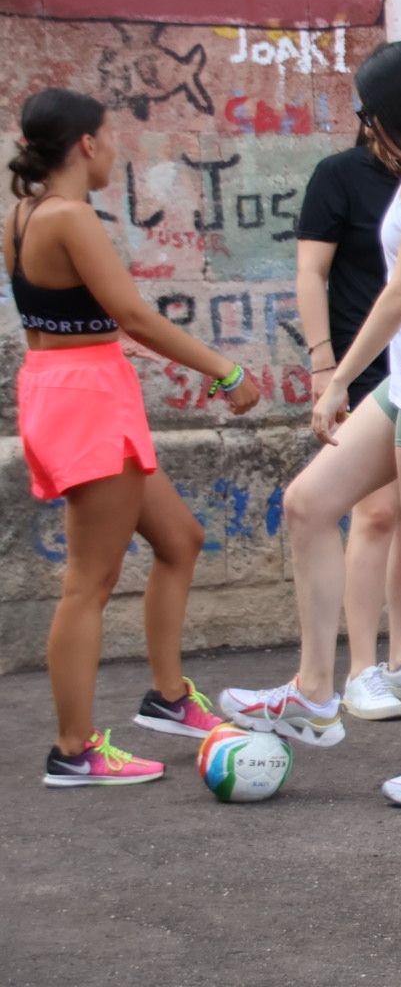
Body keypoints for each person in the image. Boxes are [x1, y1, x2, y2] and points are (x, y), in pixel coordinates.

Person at [222, 42, 401, 808]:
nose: (366, 129)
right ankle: (315, 693)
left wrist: (336, 380)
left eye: (367, 113)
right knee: (308, 504)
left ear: (390, 111)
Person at [8, 88, 261, 788]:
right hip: (87, 402)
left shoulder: (24, 216)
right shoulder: (70, 218)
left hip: (74, 388)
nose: (115, 148)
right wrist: (225, 368)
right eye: (109, 136)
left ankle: (170, 698)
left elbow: (63, 321)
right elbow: (134, 314)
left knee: (179, 539)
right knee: (88, 584)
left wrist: (109, 345)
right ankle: (73, 749)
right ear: (86, 144)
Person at [295, 130, 401, 721]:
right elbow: (312, 272)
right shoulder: (340, 175)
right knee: (375, 513)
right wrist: (323, 364)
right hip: (363, 366)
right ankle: (361, 669)